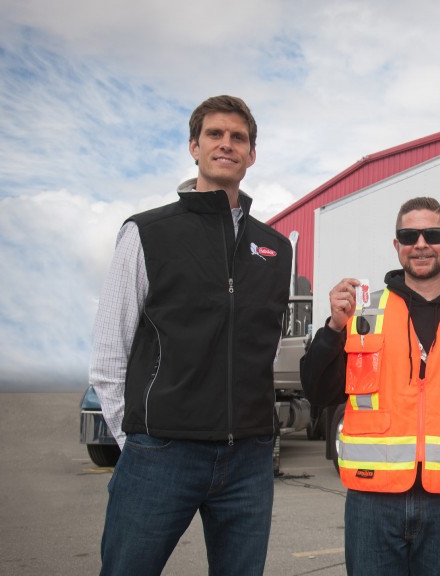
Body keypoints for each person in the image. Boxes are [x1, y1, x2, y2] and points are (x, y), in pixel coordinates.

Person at [88, 95, 292, 575]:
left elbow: (264, 347)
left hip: (249, 458)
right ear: (193, 147)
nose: (227, 144)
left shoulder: (276, 248)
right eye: (215, 135)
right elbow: (109, 352)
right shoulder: (147, 233)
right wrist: (137, 441)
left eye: (238, 137)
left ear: (252, 154)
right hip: (161, 454)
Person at [301, 196, 440, 576]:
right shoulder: (360, 314)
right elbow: (318, 392)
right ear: (397, 246)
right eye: (409, 235)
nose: (420, 243)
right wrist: (332, 329)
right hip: (373, 503)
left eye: (432, 234)